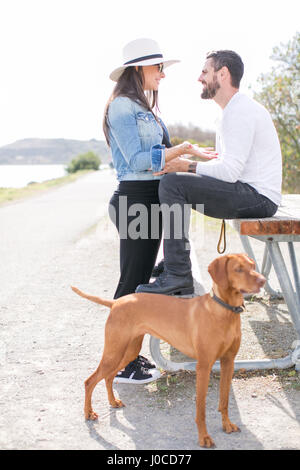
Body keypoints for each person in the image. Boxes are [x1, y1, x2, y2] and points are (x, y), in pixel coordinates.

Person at [104, 38, 216, 383]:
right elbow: (138, 161)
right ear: (138, 68)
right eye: (158, 67)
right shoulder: (122, 106)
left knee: (140, 282)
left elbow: (160, 158)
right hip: (135, 200)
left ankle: (130, 359)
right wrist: (180, 150)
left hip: (150, 200)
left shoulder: (145, 107)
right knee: (131, 284)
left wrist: (184, 159)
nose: (163, 75)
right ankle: (122, 364)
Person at [136, 49, 282, 296]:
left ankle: (177, 272)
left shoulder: (240, 111)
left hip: (258, 198)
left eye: (205, 71)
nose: (199, 78)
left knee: (173, 184)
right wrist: (187, 161)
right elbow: (222, 165)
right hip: (251, 193)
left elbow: (229, 172)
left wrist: (187, 167)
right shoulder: (232, 111)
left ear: (223, 74)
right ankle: (175, 263)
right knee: (174, 181)